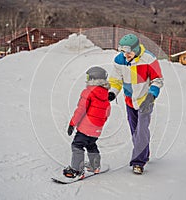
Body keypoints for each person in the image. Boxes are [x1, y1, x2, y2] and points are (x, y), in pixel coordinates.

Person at [108, 33, 163, 174]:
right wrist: (113, 92)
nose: (126, 55)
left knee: (142, 129)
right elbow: (116, 80)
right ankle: (144, 152)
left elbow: (157, 79)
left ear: (136, 49)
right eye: (123, 52)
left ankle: (138, 162)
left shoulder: (149, 59)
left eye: (128, 52)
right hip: (129, 100)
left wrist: (151, 96)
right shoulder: (119, 60)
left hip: (145, 100)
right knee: (135, 131)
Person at [63, 66, 111, 179]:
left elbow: (81, 110)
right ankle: (95, 166)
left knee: (77, 145)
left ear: (93, 78)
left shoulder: (88, 92)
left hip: (85, 128)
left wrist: (72, 124)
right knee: (91, 145)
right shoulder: (105, 94)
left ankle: (76, 169)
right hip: (97, 130)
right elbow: (107, 112)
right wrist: (99, 125)